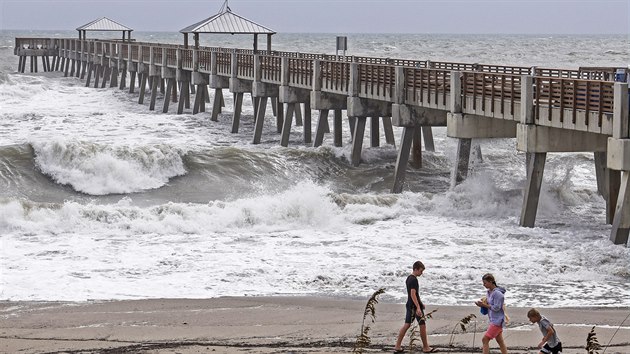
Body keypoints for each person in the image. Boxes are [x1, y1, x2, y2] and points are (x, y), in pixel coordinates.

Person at [393, 261, 436, 353]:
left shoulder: (409, 278)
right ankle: (426, 347)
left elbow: (414, 294)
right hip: (414, 306)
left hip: (409, 304)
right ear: (415, 269)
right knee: (422, 325)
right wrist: (418, 307)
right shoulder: (414, 280)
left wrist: (421, 303)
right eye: (421, 271)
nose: (422, 273)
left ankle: (397, 346)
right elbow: (413, 294)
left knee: (407, 325)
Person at [475, 273, 508, 354]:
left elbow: (496, 308)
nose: (484, 285)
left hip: (497, 321)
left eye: (485, 283)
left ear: (491, 281)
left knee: (485, 339)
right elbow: (489, 305)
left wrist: (484, 305)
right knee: (500, 341)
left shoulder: (498, 294)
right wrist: (482, 304)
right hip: (493, 319)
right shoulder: (489, 292)